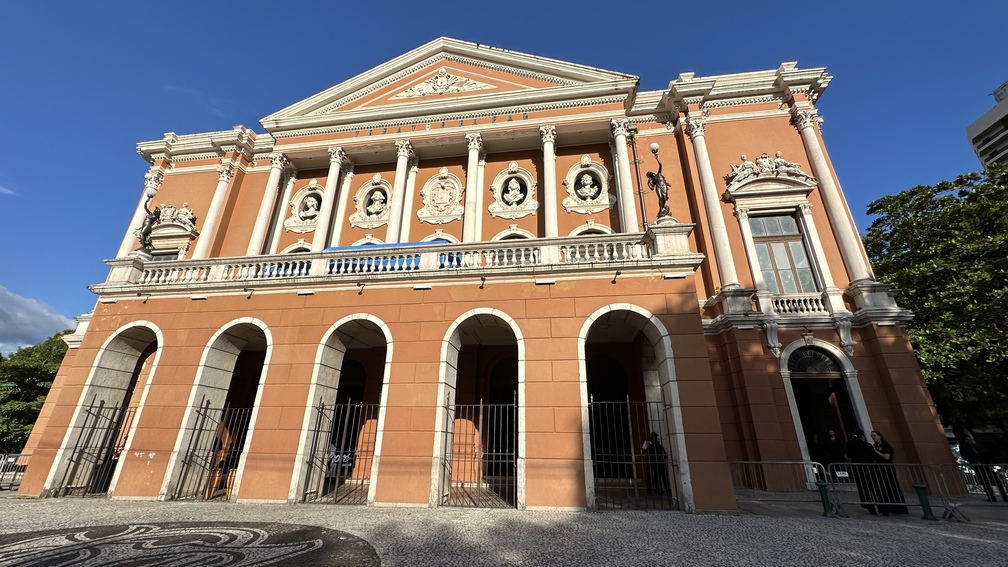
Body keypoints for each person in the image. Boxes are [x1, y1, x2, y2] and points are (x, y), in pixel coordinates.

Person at [960, 433, 1008, 503]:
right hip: (978, 466)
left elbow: (987, 454)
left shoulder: (978, 446)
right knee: (985, 481)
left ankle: (1004, 497)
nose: (971, 439)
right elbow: (965, 455)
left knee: (995, 480)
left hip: (986, 464)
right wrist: (975, 461)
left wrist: (990, 463)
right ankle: (991, 497)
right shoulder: (964, 447)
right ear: (966, 439)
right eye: (969, 437)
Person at [870, 430, 909, 515]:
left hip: (887, 468)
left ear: (879, 436)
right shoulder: (875, 446)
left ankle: (899, 507)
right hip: (879, 469)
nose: (873, 437)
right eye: (872, 436)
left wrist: (876, 451)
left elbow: (887, 457)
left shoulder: (885, 446)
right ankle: (889, 507)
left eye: (874, 435)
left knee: (892, 486)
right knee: (884, 488)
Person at [846, 429, 879, 514]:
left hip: (858, 469)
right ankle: (881, 505)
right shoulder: (867, 445)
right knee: (874, 487)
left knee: (863, 487)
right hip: (870, 468)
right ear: (862, 436)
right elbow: (874, 456)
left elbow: (848, 455)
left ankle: (869, 506)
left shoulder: (850, 445)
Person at [643, 431, 672, 497]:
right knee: (664, 478)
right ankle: (667, 491)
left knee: (656, 477)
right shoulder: (659, 446)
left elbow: (646, 453)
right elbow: (665, 455)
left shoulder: (649, 447)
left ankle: (659, 490)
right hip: (661, 463)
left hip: (654, 463)